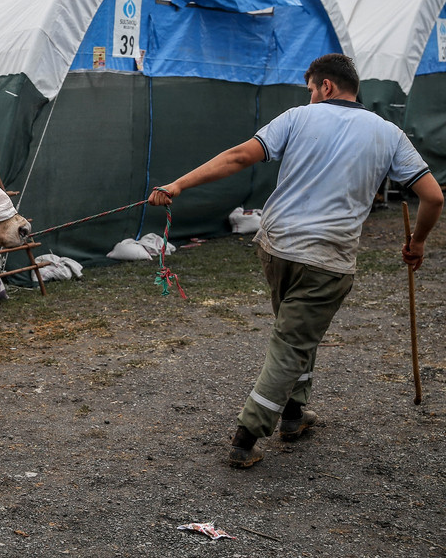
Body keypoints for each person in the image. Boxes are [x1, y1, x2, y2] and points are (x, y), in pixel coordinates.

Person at [148, 53, 443, 468]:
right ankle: (246, 436)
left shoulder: (296, 119)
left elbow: (237, 157)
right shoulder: (388, 133)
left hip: (276, 249)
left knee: (297, 333)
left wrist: (178, 184)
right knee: (292, 342)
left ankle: (292, 414)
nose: (308, 98)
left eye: (310, 90)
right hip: (327, 259)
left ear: (325, 87)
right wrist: (417, 242)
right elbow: (433, 196)